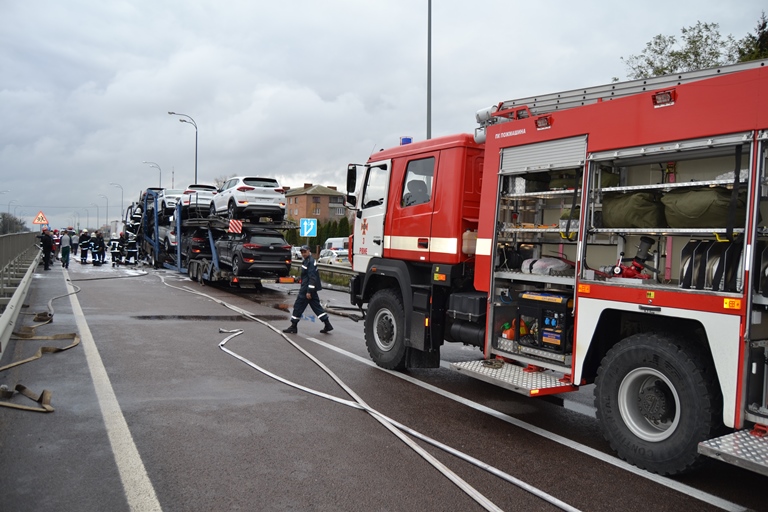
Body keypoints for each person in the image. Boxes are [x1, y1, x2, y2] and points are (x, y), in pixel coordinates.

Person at [283, 245, 333, 334]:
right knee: (317, 307)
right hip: (309, 288)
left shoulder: (310, 261)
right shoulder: (307, 261)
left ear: (309, 251)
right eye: (302, 252)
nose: (303, 254)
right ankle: (327, 324)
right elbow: (307, 276)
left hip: (306, 289)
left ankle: (293, 326)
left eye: (304, 252)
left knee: (298, 306)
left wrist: (309, 291)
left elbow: (312, 277)